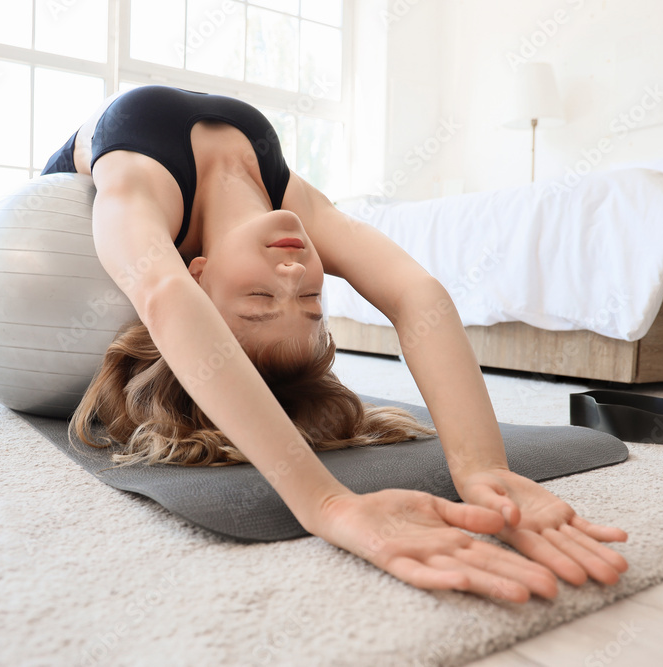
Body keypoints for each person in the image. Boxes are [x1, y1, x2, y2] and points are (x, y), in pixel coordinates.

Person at [42, 84, 628, 603]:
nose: (295, 278)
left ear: (198, 273)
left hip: (57, 177)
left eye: (259, 301)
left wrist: (323, 502)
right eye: (311, 306)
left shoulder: (142, 188)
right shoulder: (291, 201)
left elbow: (164, 296)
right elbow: (416, 294)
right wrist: (481, 466)